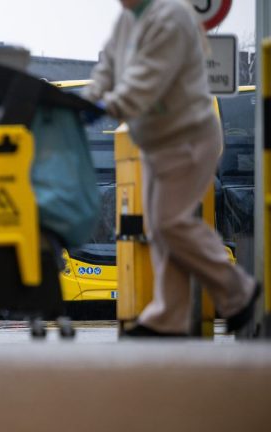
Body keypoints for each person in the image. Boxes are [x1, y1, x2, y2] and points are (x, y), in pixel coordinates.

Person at [83, 0, 260, 337]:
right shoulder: (126, 21)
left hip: (188, 137)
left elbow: (146, 79)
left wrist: (108, 105)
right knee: (160, 229)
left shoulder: (172, 17)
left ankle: (237, 290)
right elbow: (108, 65)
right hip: (156, 142)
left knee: (170, 223)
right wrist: (89, 98)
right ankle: (169, 318)